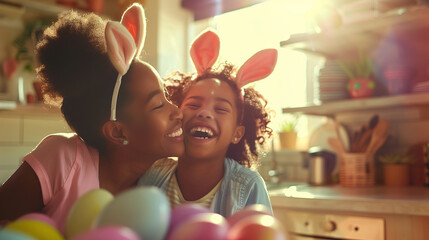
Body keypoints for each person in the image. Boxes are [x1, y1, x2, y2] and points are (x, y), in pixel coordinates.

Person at [0, 3, 184, 232]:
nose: (178, 111)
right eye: (158, 105)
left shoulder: (166, 180)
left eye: (166, 97)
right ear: (117, 131)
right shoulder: (63, 160)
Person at [139, 30, 277, 217]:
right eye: (194, 104)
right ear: (177, 116)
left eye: (220, 109)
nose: (204, 113)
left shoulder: (249, 187)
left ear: (237, 133)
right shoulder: (154, 174)